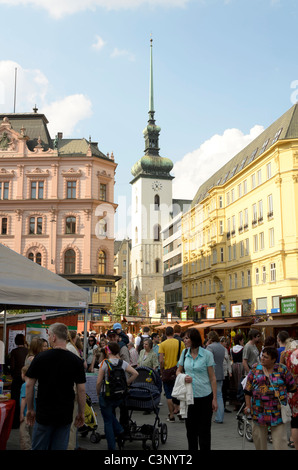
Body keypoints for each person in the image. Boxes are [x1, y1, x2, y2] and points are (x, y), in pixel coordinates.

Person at [26, 323, 86, 450]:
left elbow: (29, 385)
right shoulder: (76, 361)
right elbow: (81, 390)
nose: (48, 339)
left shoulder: (40, 358)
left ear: (53, 337)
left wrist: (30, 409)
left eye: (48, 336)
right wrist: (81, 412)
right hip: (65, 414)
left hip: (44, 412)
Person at [244, 346, 297, 450]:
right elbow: (247, 390)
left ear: (273, 360)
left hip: (277, 413)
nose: (262, 358)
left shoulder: (282, 369)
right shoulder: (255, 369)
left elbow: (292, 387)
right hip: (258, 413)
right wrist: (247, 406)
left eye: (266, 357)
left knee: (280, 445)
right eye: (262, 356)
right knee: (260, 444)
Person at [176, 328, 218, 450]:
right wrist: (183, 376)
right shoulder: (184, 353)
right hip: (189, 397)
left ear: (194, 339)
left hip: (205, 397)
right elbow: (178, 371)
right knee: (190, 431)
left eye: (186, 338)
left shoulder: (207, 355)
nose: (184, 340)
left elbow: (212, 378)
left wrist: (214, 399)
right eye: (184, 338)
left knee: (204, 431)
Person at [96, 342, 139, 450]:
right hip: (119, 396)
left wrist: (97, 393)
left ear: (108, 351)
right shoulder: (122, 363)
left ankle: (112, 446)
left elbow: (99, 382)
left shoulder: (104, 363)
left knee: (108, 421)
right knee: (109, 416)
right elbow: (136, 373)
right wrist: (127, 383)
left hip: (106, 395)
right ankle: (119, 430)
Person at [158, 326, 185, 422]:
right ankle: (181, 413)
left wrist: (162, 371)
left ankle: (171, 415)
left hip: (167, 371)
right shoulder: (180, 343)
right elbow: (183, 357)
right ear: (173, 333)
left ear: (165, 334)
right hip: (178, 371)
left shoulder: (162, 344)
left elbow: (161, 360)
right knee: (179, 393)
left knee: (169, 394)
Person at [280, 339, 298, 449]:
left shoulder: (285, 354)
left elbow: (281, 369)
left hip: (292, 390)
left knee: (295, 420)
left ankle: (293, 441)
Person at [10, 334, 28, 428]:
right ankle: (24, 419)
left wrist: (13, 374)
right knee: (24, 398)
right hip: (26, 378)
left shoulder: (14, 352)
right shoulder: (27, 351)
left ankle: (15, 422)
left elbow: (12, 366)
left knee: (15, 399)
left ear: (16, 341)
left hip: (16, 378)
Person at [206, 331, 225, 424]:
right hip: (220, 372)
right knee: (219, 395)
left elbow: (207, 359)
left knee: (212, 395)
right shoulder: (222, 347)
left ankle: (214, 415)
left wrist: (206, 345)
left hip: (212, 373)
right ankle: (220, 417)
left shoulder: (210, 347)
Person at [19, 365, 35, 450]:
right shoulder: (33, 385)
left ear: (24, 374)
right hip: (33, 413)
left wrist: (21, 413)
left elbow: (23, 400)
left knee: (24, 435)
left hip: (25, 414)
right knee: (31, 435)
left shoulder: (25, 385)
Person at [229, 333, 244, 410]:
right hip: (241, 366)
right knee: (240, 383)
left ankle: (235, 403)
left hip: (233, 366)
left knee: (234, 384)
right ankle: (240, 402)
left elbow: (231, 358)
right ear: (240, 340)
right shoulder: (243, 348)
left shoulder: (232, 349)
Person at [220, 336, 232, 413]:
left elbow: (228, 361)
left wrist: (229, 371)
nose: (226, 343)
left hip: (225, 372)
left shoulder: (225, 350)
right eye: (224, 342)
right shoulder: (218, 350)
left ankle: (223, 406)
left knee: (224, 390)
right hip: (220, 372)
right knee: (220, 390)